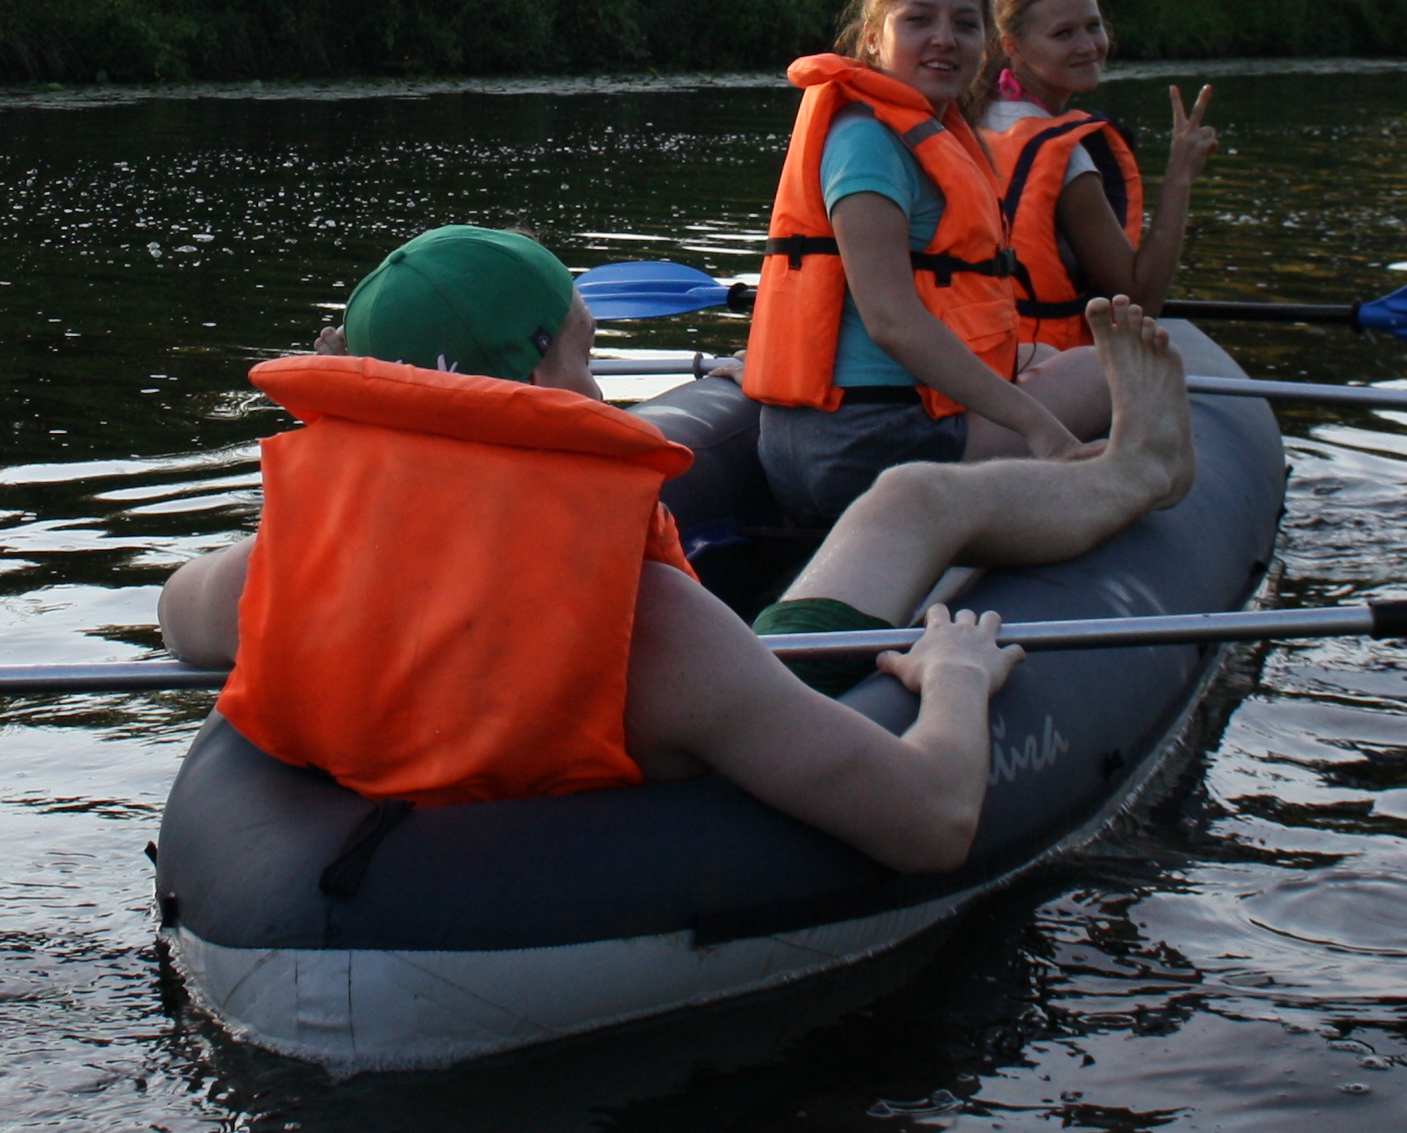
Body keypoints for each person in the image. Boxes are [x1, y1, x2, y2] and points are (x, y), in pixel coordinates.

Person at [158, 225, 1197, 874]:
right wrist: (957, 678)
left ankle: (1123, 471)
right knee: (911, 496)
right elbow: (931, 819)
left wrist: (351, 467)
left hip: (382, 873)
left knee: (901, 496)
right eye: (585, 354)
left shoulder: (272, 578)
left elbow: (176, 613)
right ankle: (1136, 474)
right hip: (727, 715)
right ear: (540, 383)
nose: (600, 388)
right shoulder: (655, 635)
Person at [738, 0, 1109, 542]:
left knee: (1044, 357)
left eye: (965, 23)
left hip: (828, 441)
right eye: (918, 20)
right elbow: (891, 320)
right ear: (872, 38)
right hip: (865, 449)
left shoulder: (907, 132)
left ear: (986, 45)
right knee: (1103, 372)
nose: (944, 38)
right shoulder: (869, 143)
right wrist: (1042, 429)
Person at [985, 0, 1221, 351]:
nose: (1088, 46)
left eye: (1093, 26)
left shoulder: (975, 116)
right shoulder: (1065, 158)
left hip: (989, 345)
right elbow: (1140, 302)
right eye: (1063, 34)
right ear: (1014, 47)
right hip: (1045, 362)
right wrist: (1180, 175)